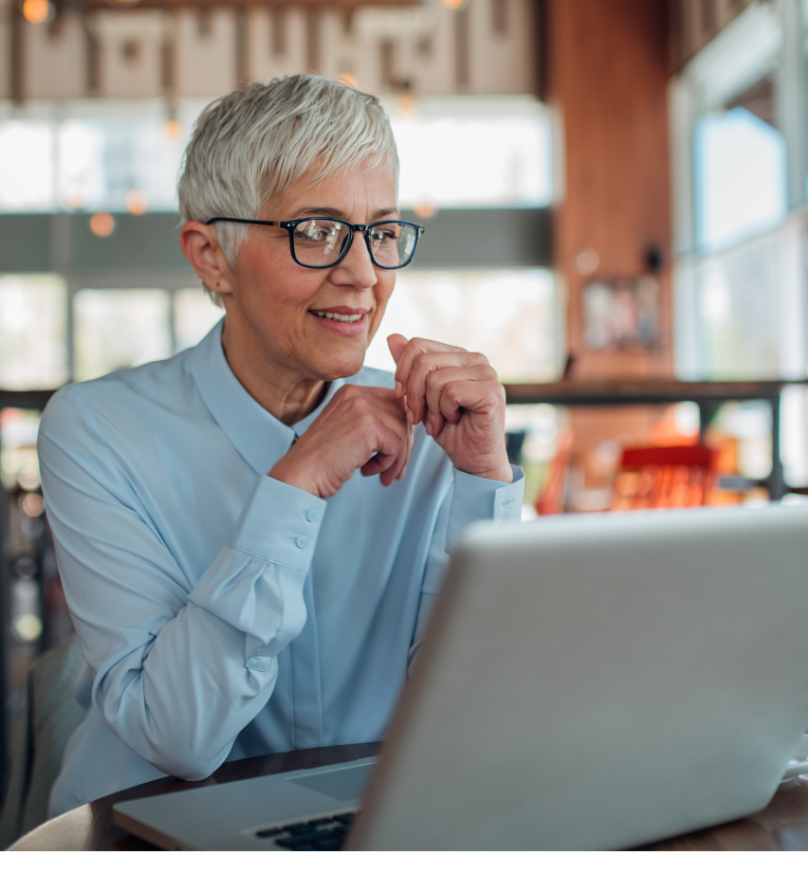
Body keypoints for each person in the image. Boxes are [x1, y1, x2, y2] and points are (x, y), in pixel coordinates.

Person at [38, 75, 524, 817]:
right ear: (210, 258)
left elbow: (478, 713)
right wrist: (293, 486)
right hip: (148, 837)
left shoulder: (434, 429)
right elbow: (181, 737)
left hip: (371, 828)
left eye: (382, 233)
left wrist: (484, 484)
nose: (363, 274)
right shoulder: (96, 433)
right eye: (317, 231)